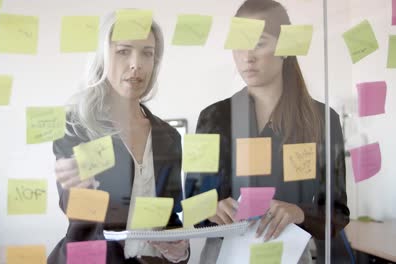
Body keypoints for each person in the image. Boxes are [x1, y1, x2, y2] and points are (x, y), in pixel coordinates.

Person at [190, 0, 350, 262]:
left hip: (289, 255)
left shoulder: (323, 119)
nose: (246, 56)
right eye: (239, 44)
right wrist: (210, 208)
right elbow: (192, 205)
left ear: (285, 48)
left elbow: (338, 213)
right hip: (224, 255)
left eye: (259, 42)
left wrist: (299, 212)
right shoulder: (213, 118)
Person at [48, 12, 189, 264]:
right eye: (124, 51)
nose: (136, 64)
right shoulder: (76, 125)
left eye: (147, 53)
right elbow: (79, 217)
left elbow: (168, 219)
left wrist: (179, 251)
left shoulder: (168, 137)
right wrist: (79, 188)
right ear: (103, 57)